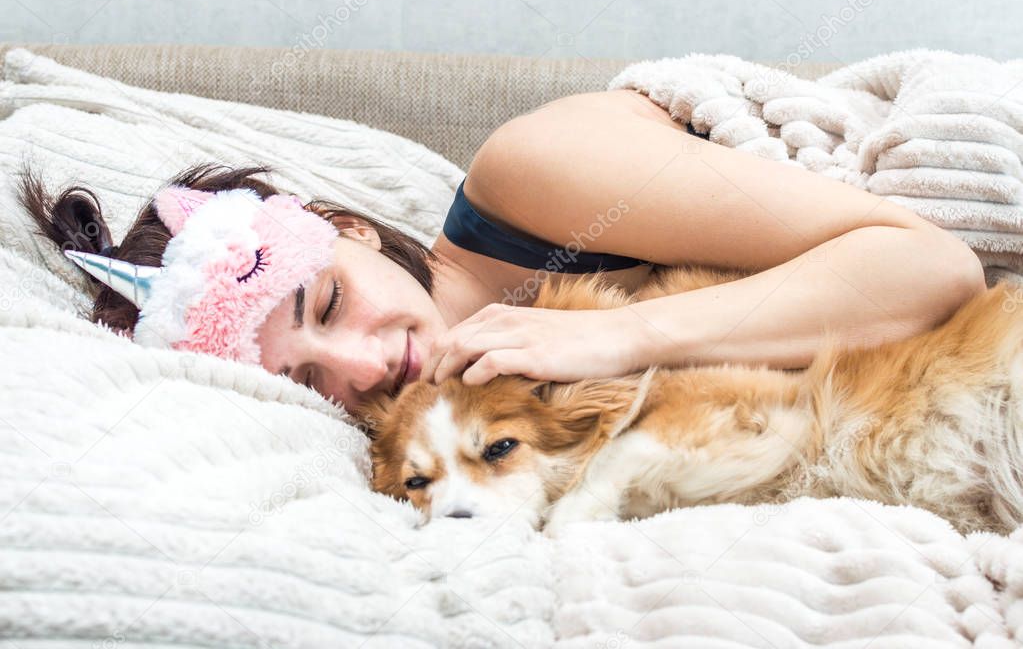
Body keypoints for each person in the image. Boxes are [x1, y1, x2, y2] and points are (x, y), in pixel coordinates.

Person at [21, 89, 986, 418]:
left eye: (328, 306)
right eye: (308, 383)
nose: (366, 366)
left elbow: (932, 268)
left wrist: (619, 339)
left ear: (349, 230)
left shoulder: (532, 177)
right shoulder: (462, 405)